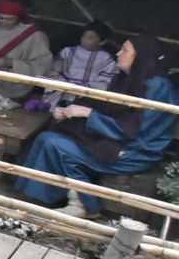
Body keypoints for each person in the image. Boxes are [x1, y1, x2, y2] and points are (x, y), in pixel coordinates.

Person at [16, 35, 177, 219]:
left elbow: (135, 128)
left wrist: (88, 114)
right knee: (48, 137)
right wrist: (71, 110)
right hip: (117, 140)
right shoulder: (129, 79)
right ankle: (46, 199)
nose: (118, 53)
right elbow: (105, 107)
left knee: (55, 145)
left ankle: (86, 205)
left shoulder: (157, 87)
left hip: (134, 151)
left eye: (125, 50)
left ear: (141, 57)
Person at [40, 20, 120, 108]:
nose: (85, 39)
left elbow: (105, 83)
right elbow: (53, 71)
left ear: (102, 42)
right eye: (84, 36)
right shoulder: (67, 52)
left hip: (86, 99)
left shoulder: (107, 60)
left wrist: (81, 89)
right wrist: (67, 86)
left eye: (90, 37)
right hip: (61, 95)